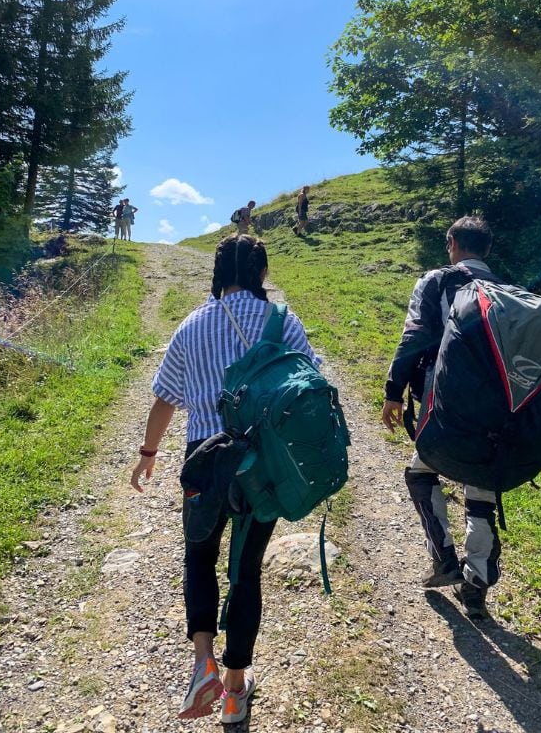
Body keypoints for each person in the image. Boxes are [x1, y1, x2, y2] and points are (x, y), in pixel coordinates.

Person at [130, 233, 321, 723]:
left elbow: (165, 398)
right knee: (246, 569)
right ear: (261, 274)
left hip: (205, 459)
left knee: (199, 555)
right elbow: (312, 385)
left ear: (219, 275)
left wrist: (148, 453)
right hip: (265, 465)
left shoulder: (192, 326)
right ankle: (235, 691)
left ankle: (202, 663)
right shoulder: (283, 323)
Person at [382, 216, 501, 620]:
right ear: (486, 250)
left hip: (445, 405)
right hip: (499, 411)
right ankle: (477, 586)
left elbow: (414, 336)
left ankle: (445, 559)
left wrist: (393, 393)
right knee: (482, 487)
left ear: (452, 243)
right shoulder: (507, 291)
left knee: (419, 473)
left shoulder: (437, 281)